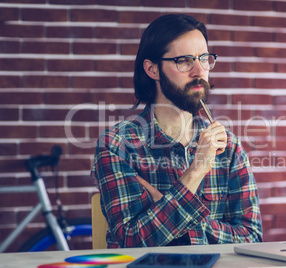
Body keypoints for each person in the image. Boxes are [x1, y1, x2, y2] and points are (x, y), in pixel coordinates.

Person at [91, 13, 263, 248]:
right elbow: (131, 241)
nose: (199, 71)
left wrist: (172, 209)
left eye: (204, 58)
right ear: (152, 70)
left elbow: (252, 238)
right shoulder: (117, 145)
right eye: (184, 60)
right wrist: (196, 171)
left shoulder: (229, 146)